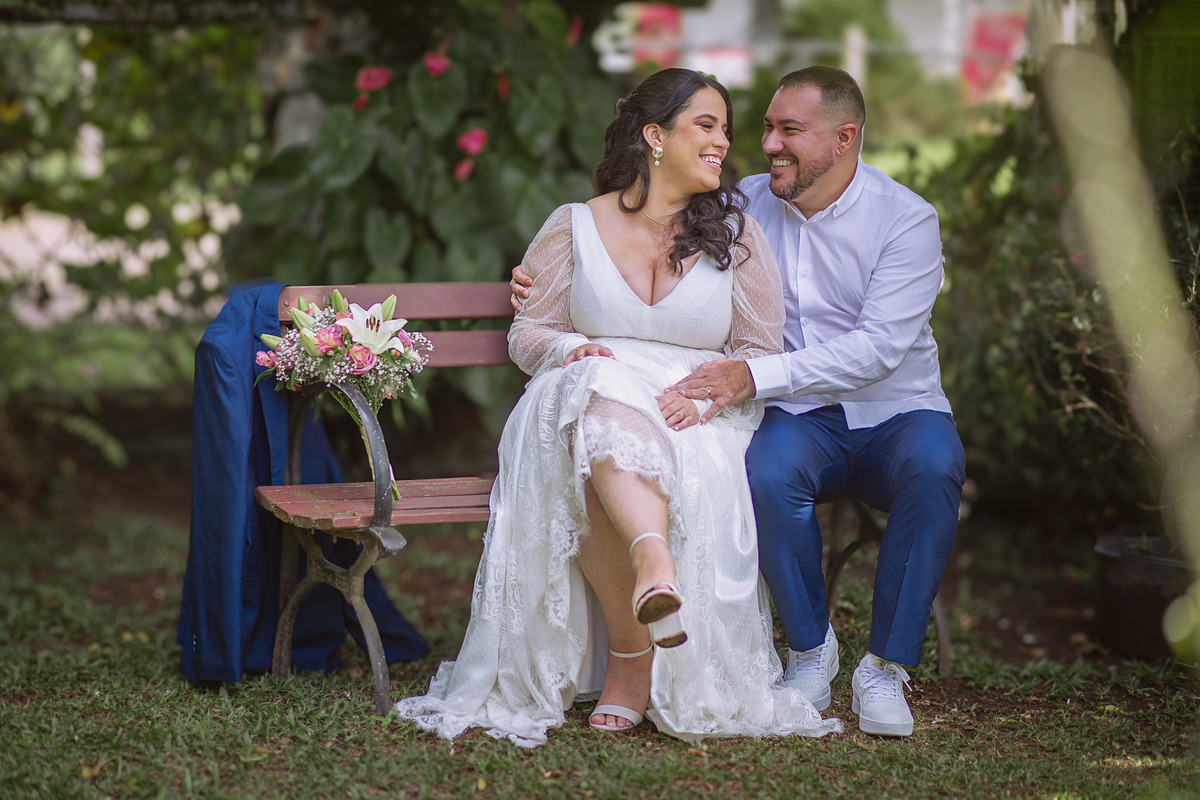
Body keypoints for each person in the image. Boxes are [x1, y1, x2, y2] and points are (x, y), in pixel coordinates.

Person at [512, 66, 966, 738]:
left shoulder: (906, 220)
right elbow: (640, 230)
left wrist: (751, 378)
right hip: (799, 413)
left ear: (844, 138)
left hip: (894, 410)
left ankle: (884, 668)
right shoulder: (740, 203)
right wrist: (545, 279)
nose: (768, 144)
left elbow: (878, 351)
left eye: (790, 131)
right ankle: (809, 651)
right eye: (767, 127)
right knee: (768, 472)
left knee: (934, 467)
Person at [396, 68, 840, 747]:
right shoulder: (573, 225)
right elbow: (529, 333)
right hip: (584, 393)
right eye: (706, 125)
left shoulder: (738, 237)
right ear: (655, 136)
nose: (724, 142)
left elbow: (757, 354)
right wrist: (569, 349)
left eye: (725, 129)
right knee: (591, 394)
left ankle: (636, 634)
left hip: (689, 411)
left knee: (591, 428)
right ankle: (650, 575)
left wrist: (709, 396)